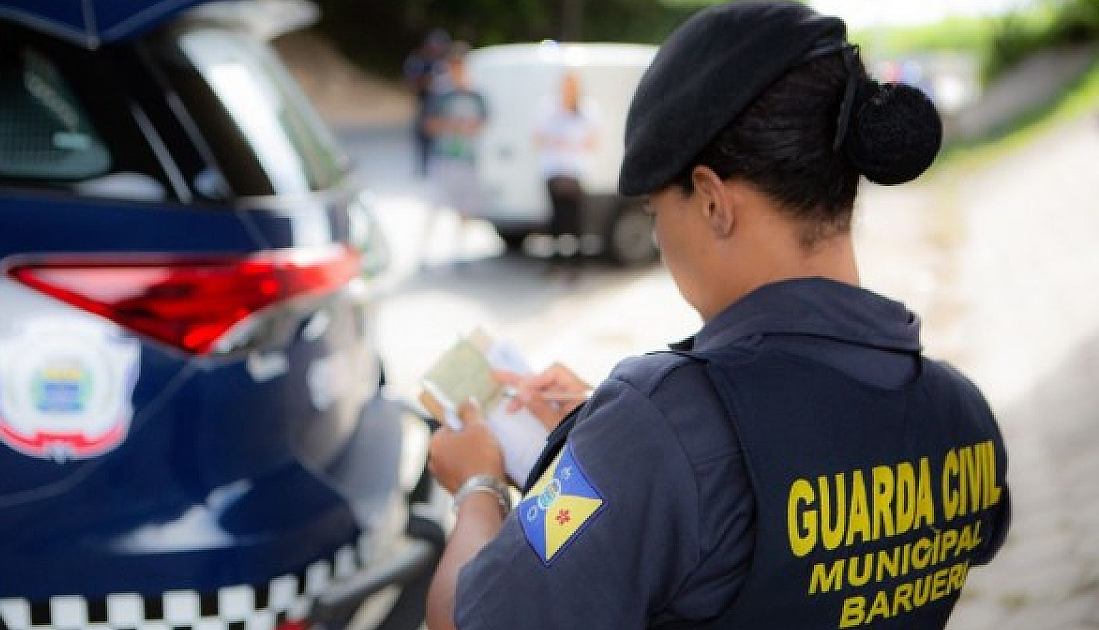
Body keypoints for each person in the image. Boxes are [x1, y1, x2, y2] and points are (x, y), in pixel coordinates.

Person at [422, 3, 1012, 630]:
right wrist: (599, 448)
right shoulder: (960, 414)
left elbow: (465, 621)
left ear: (710, 201)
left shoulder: (658, 425)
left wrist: (478, 488)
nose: (659, 241)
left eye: (655, 213)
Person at [420, 43, 489, 268]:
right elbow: (429, 125)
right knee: (435, 205)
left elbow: (482, 123)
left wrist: (467, 127)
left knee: (465, 208)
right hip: (444, 158)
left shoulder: (475, 94)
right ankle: (425, 251)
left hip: (466, 159)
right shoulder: (441, 95)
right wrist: (453, 126)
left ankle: (460, 250)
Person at [535, 72, 599, 274]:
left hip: (574, 171)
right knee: (556, 218)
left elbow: (593, 140)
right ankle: (556, 260)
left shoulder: (587, 109)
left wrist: (571, 144)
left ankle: (576, 261)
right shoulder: (548, 108)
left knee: (575, 218)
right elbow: (537, 137)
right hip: (553, 169)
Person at [404, 29, 451, 178]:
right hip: (426, 105)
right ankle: (424, 169)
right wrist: (429, 81)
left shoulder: (444, 63)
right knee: (423, 137)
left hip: (444, 107)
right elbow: (412, 83)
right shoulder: (419, 61)